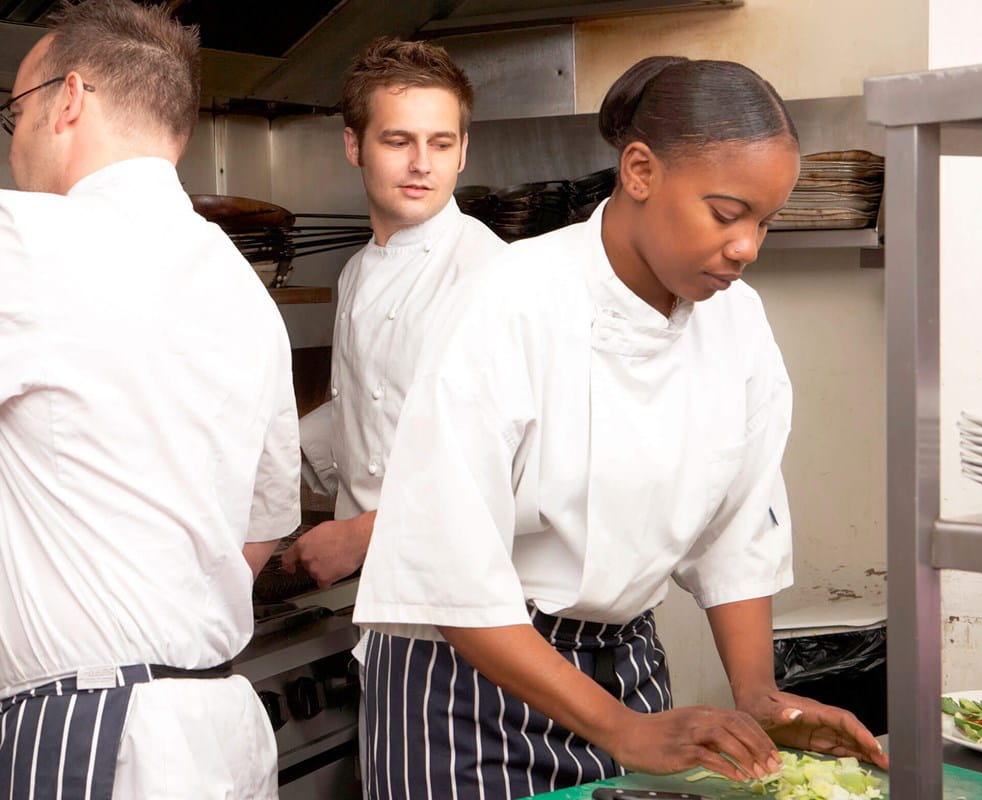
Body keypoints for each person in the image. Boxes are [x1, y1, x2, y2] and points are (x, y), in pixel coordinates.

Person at [352, 55, 890, 798]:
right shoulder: (509, 300)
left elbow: (737, 528)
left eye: (765, 222)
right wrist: (619, 729)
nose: (747, 248)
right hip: (467, 692)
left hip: (627, 669)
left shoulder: (737, 323)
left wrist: (761, 696)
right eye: (727, 214)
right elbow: (449, 574)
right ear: (639, 170)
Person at [0, 2, 299, 799]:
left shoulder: (24, 242)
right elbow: (260, 534)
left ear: (67, 100)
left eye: (12, 113)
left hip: (95, 729)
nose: (15, 141)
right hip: (224, 725)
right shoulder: (245, 292)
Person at [283, 37, 505, 587]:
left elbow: (506, 469)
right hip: (384, 594)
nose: (421, 164)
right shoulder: (357, 271)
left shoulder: (493, 277)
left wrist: (359, 537)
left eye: (441, 143)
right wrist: (271, 456)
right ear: (353, 145)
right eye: (398, 140)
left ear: (463, 151)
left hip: (464, 596)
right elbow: (373, 402)